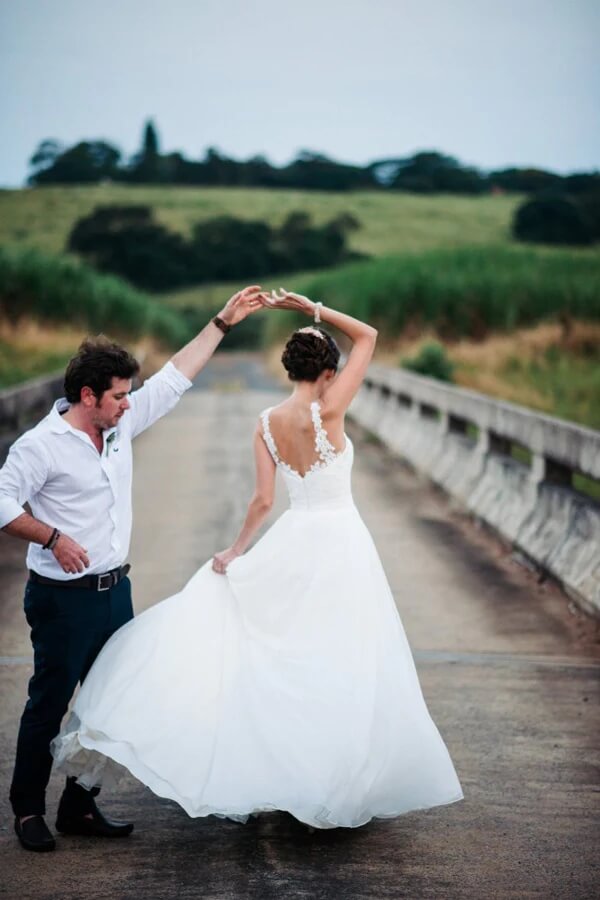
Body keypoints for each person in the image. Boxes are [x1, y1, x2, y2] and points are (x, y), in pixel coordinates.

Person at [50, 288, 464, 830]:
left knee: (283, 659)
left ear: (290, 367)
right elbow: (369, 335)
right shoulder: (333, 409)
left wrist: (235, 552)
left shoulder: (267, 422)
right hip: (341, 542)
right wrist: (311, 308)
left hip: (293, 540)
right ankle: (329, 782)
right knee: (343, 661)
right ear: (330, 371)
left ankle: (290, 779)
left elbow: (263, 502)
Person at [0, 285, 265, 852]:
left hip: (115, 592)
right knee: (49, 704)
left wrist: (222, 322)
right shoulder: (39, 446)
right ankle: (27, 811)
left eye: (128, 395)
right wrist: (51, 535)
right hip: (62, 598)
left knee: (108, 704)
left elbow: (174, 378)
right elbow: (0, 503)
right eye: (119, 396)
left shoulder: (117, 425)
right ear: (88, 395)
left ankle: (79, 805)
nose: (128, 403)